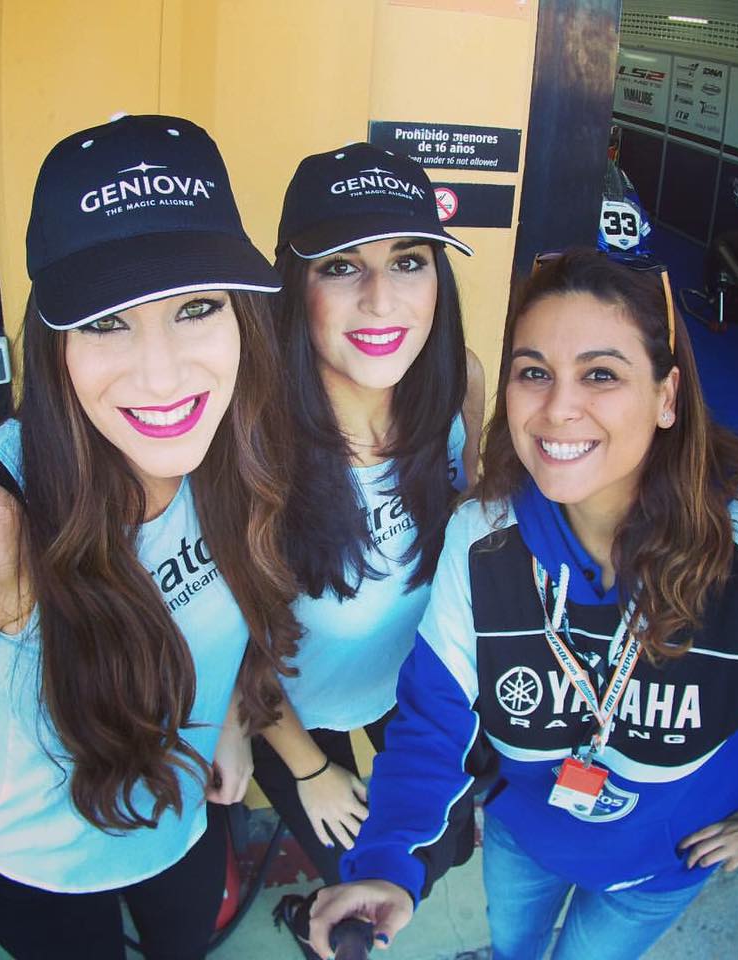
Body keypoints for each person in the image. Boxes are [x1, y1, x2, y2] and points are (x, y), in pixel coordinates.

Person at [307, 249, 738, 960]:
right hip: (523, 837)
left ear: (667, 396)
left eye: (601, 374)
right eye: (533, 372)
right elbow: (434, 719)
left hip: (664, 866)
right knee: (514, 947)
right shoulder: (482, 538)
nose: (558, 408)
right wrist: (388, 863)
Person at [0, 114, 300, 960]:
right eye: (107, 322)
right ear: (54, 343)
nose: (162, 375)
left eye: (197, 308)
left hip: (182, 819)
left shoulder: (236, 448)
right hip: (34, 859)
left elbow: (235, 613)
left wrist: (232, 723)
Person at [249, 142, 484, 944]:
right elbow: (232, 639)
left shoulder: (457, 387)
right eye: (341, 267)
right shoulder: (251, 447)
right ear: (295, 286)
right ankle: (306, 918)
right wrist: (311, 769)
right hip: (289, 711)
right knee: (350, 872)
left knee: (445, 845)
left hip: (413, 690)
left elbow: (470, 528)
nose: (382, 300)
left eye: (409, 261)